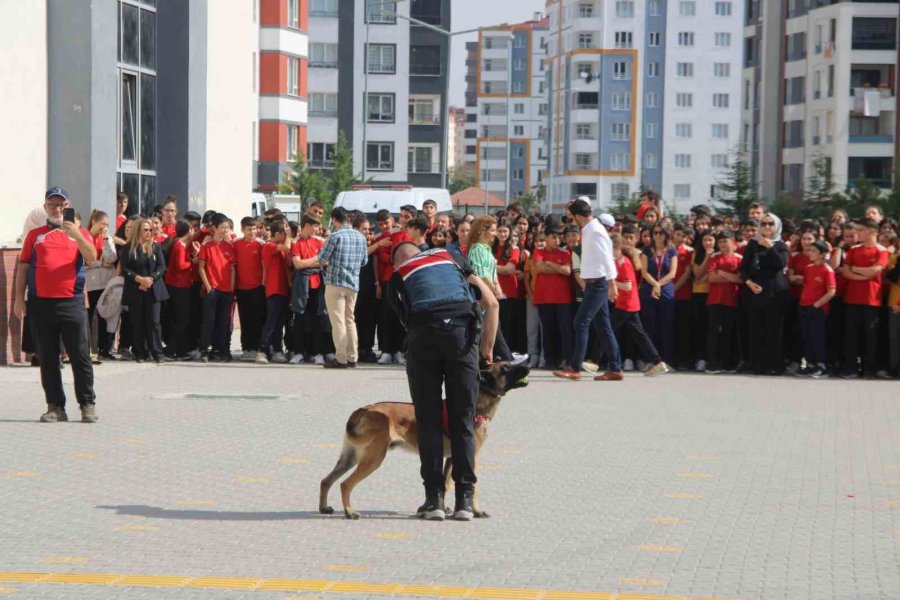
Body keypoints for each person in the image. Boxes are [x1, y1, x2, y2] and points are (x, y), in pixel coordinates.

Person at [386, 241, 499, 521]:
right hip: (462, 339)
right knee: (464, 420)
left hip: (424, 339)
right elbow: (492, 303)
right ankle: (464, 500)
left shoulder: (398, 278)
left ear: (397, 263)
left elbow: (405, 322)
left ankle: (433, 500)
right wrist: (486, 348)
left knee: (429, 420)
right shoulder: (452, 259)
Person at [14, 187, 98, 423]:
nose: (58, 209)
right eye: (53, 204)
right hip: (41, 304)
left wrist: (77, 234)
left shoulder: (79, 232)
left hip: (72, 302)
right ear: (45, 207)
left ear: (68, 206)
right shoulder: (35, 235)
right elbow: (22, 268)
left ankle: (87, 404)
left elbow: (92, 258)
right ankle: (55, 406)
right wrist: (19, 299)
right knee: (48, 358)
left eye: (62, 205)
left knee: (80, 356)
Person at [554, 198, 623, 381]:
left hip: (598, 284)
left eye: (572, 216)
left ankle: (575, 368)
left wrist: (612, 284)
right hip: (594, 283)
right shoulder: (590, 229)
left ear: (577, 216)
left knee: (580, 322)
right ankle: (615, 368)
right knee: (603, 326)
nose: (571, 220)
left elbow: (607, 258)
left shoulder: (595, 231)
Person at [605, 233, 668, 376]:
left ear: (617, 248)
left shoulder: (625, 263)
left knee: (607, 331)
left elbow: (627, 286)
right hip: (626, 303)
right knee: (639, 335)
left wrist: (611, 284)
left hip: (626, 304)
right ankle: (657, 362)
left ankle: (596, 361)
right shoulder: (618, 263)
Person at [318, 206, 368, 368]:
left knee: (338, 321)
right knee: (350, 320)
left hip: (335, 282)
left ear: (334, 219)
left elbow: (322, 258)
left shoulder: (335, 236)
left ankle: (341, 358)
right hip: (353, 283)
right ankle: (352, 357)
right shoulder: (360, 237)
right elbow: (364, 262)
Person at [740, 212, 790, 375]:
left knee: (773, 329)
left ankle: (773, 364)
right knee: (756, 329)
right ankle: (756, 363)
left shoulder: (780, 245)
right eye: (764, 224)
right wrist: (749, 282)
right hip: (755, 291)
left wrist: (769, 246)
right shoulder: (753, 244)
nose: (767, 227)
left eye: (770, 224)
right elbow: (744, 268)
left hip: (775, 292)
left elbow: (780, 264)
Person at [840, 218, 889, 378]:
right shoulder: (854, 250)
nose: (857, 233)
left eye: (861, 230)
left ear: (873, 232)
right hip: (852, 298)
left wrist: (855, 269)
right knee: (851, 335)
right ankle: (851, 368)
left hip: (871, 299)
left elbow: (876, 271)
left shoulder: (881, 250)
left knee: (870, 336)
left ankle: (869, 369)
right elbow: (845, 272)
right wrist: (861, 275)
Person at [120, 218, 171, 363]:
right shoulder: (128, 247)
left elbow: (161, 266)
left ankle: (157, 352)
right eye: (145, 230)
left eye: (150, 230)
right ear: (138, 231)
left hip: (153, 289)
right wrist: (139, 280)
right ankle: (140, 352)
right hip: (135, 289)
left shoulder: (155, 247)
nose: (149, 233)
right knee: (137, 322)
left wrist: (150, 279)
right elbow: (124, 268)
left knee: (154, 321)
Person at [198, 213, 236, 362]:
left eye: (227, 227)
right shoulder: (206, 245)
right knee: (209, 320)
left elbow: (233, 268)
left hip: (226, 290)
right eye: (222, 227)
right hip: (212, 288)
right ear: (214, 228)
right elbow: (201, 267)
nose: (225, 230)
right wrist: (208, 286)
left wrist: (232, 287)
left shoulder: (229, 246)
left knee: (223, 322)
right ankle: (204, 349)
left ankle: (219, 349)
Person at [639, 224, 678, 367]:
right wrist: (655, 285)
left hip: (666, 291)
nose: (657, 236)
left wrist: (659, 284)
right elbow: (644, 272)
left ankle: (667, 360)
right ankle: (652, 360)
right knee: (650, 326)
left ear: (666, 235)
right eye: (655, 233)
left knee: (667, 326)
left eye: (661, 233)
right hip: (648, 290)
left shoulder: (671, 250)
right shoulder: (646, 250)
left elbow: (672, 273)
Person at [704, 231, 742, 374]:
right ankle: (712, 363)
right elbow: (711, 278)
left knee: (728, 332)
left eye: (725, 241)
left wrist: (723, 273)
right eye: (720, 242)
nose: (722, 245)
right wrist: (730, 277)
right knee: (713, 332)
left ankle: (727, 363)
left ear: (733, 242)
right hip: (714, 300)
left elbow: (740, 279)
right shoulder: (715, 257)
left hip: (731, 299)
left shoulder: (739, 258)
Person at [373, 209, 406, 366]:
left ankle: (398, 351)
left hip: (400, 278)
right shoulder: (380, 237)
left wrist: (390, 255)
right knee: (385, 317)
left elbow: (397, 254)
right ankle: (386, 351)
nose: (384, 227)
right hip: (386, 279)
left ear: (392, 220)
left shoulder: (402, 234)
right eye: (381, 224)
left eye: (386, 223)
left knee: (399, 316)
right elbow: (381, 256)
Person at [798, 240, 836, 378]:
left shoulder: (827, 270)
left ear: (822, 254)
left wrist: (816, 305)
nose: (810, 253)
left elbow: (831, 292)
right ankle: (810, 364)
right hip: (804, 306)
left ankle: (822, 365)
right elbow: (807, 286)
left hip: (818, 309)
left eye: (814, 251)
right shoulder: (808, 268)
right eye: (810, 250)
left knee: (818, 337)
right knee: (807, 336)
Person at [85, 210, 118, 361]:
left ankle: (105, 348)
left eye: (107, 225)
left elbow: (111, 258)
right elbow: (86, 261)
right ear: (94, 222)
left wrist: (106, 240)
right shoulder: (85, 236)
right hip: (90, 283)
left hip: (105, 283)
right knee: (90, 316)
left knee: (105, 315)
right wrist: (99, 264)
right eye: (102, 224)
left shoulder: (107, 238)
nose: (104, 227)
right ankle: (90, 349)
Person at [164, 220, 198, 360]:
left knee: (181, 319)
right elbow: (180, 265)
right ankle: (173, 350)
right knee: (180, 319)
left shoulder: (182, 244)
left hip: (182, 285)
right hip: (178, 286)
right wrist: (193, 261)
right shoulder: (179, 245)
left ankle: (179, 349)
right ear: (188, 230)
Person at [234, 217, 266, 361]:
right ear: (242, 230)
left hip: (257, 287)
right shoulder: (236, 244)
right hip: (241, 288)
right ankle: (246, 348)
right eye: (249, 229)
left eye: (254, 229)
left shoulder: (261, 244)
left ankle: (257, 348)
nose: (252, 232)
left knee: (257, 319)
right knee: (245, 319)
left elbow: (265, 266)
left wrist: (263, 284)